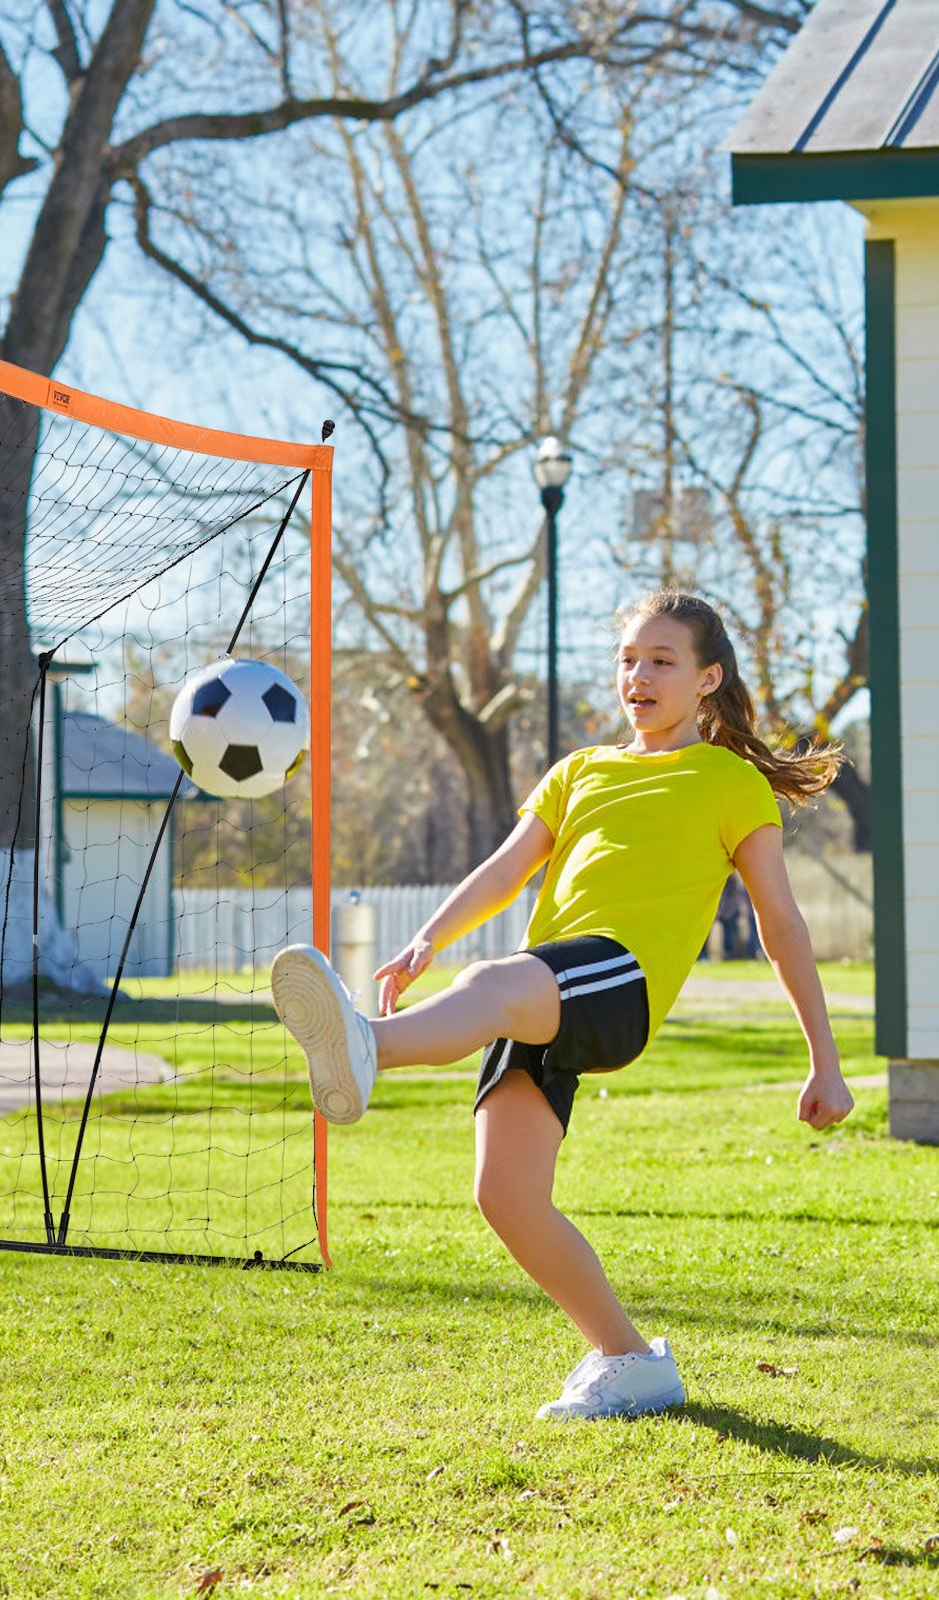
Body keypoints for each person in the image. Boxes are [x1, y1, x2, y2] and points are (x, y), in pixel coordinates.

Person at [269, 589, 856, 1421]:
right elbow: (507, 868)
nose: (640, 676)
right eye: (628, 660)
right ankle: (630, 1360)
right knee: (505, 1194)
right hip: (548, 982)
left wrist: (824, 1062)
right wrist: (427, 937)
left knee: (491, 986)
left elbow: (783, 924)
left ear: (706, 679)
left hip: (618, 982)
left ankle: (365, 1046)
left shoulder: (730, 782)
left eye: (662, 661)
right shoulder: (580, 770)